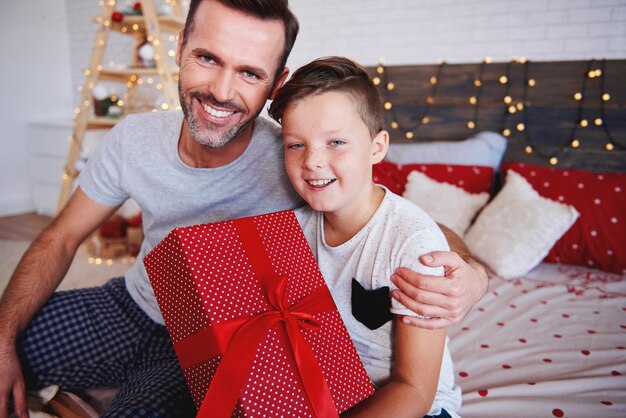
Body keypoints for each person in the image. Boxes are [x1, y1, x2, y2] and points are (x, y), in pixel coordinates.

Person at [0, 1, 486, 417]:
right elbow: (59, 237)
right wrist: (4, 339)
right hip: (134, 305)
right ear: (180, 48)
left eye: (250, 72)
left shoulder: (297, 158)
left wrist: (469, 271)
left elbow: (388, 218)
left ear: (276, 82)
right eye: (208, 58)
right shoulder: (135, 139)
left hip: (228, 336)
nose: (221, 91)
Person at [269, 56, 461, 418]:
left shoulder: (413, 241)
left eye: (336, 142)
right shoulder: (291, 228)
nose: (312, 161)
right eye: (296, 145)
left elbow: (414, 391)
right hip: (327, 394)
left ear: (377, 147)